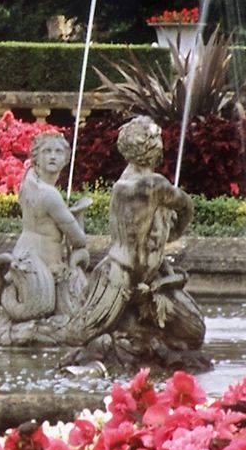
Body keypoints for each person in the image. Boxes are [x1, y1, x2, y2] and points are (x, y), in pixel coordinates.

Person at [67, 116, 201, 351]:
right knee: (79, 336)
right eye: (156, 139)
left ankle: (136, 335)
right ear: (152, 146)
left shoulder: (124, 182)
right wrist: (175, 233)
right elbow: (186, 205)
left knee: (193, 331)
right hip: (121, 278)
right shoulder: (154, 185)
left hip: (145, 275)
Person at [0, 132, 91, 328]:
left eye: (58, 152)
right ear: (36, 157)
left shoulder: (29, 181)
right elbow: (78, 238)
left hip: (22, 256)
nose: (53, 156)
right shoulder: (50, 195)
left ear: (66, 158)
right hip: (42, 268)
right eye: (47, 151)